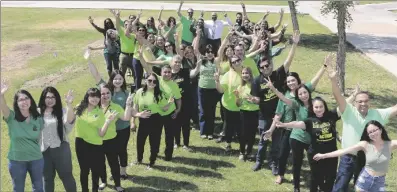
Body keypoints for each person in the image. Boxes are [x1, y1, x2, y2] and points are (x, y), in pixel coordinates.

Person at [325, 56, 397, 192]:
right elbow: (338, 96)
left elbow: (394, 109)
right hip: (348, 158)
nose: (363, 103)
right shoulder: (348, 111)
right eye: (360, 101)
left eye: (365, 101)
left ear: (369, 102)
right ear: (355, 102)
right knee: (340, 187)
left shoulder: (377, 114)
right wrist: (333, 80)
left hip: (367, 159)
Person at [264, 54, 330, 182]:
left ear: (298, 81)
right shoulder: (285, 96)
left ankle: (308, 173)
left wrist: (325, 66)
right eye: (288, 81)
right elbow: (278, 114)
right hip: (288, 129)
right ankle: (281, 174)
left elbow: (316, 79)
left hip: (305, 130)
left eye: (293, 80)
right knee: (283, 153)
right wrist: (271, 130)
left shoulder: (304, 91)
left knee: (307, 154)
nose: (291, 83)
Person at [251, 30, 300, 173]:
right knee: (263, 139)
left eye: (267, 65)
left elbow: (288, 61)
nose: (265, 68)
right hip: (264, 116)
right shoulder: (256, 81)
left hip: (279, 115)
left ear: (271, 65)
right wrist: (254, 100)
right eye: (262, 67)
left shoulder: (278, 74)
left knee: (276, 143)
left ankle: (273, 163)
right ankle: (259, 161)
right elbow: (258, 99)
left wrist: (294, 45)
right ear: (259, 69)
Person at [274, 97, 340, 192]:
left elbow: (343, 105)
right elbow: (297, 123)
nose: (319, 109)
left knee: (331, 177)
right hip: (315, 154)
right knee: (317, 177)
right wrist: (284, 124)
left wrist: (354, 96)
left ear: (324, 106)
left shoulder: (331, 116)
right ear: (312, 108)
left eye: (321, 106)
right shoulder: (310, 120)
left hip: (331, 153)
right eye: (316, 107)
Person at [314, 120, 397, 192]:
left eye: (375, 130)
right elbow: (343, 151)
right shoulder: (365, 144)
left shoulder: (390, 144)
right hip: (365, 179)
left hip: (380, 181)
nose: (373, 133)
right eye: (370, 132)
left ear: (381, 129)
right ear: (367, 135)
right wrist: (324, 155)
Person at [1, 80, 44, 192]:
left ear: (30, 100)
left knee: (39, 188)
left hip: (36, 159)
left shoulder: (38, 118)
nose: (24, 101)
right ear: (17, 103)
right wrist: (1, 95)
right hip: (17, 161)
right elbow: (3, 107)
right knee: (18, 189)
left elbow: (39, 137)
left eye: (26, 98)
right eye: (20, 99)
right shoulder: (11, 117)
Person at [139, 51, 182, 161]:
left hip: (169, 114)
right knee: (156, 135)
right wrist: (140, 56)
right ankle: (155, 152)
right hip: (157, 114)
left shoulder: (174, 85)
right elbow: (147, 67)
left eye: (168, 72)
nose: (167, 74)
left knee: (169, 136)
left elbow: (178, 99)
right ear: (161, 72)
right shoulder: (156, 80)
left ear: (171, 73)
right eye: (165, 72)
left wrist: (177, 111)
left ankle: (168, 155)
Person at [74, 88, 118, 192]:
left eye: (97, 96)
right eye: (92, 96)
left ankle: (95, 190)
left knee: (95, 170)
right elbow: (69, 119)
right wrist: (69, 104)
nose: (95, 99)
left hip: (96, 145)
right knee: (84, 170)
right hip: (80, 143)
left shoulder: (100, 112)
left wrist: (107, 122)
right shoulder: (79, 108)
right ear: (87, 97)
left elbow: (101, 134)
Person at [38, 87, 77, 192]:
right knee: (47, 179)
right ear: (43, 98)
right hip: (43, 151)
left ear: (57, 98)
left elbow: (69, 122)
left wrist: (69, 104)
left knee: (67, 176)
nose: (50, 100)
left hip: (61, 149)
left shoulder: (62, 111)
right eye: (47, 97)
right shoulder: (37, 113)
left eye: (53, 97)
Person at [132, 73, 171, 169]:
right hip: (143, 119)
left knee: (154, 142)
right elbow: (135, 107)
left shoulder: (160, 94)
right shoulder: (139, 92)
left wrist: (170, 103)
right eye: (149, 80)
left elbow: (164, 109)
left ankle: (152, 162)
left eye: (154, 81)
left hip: (156, 119)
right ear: (145, 80)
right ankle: (139, 159)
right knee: (140, 141)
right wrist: (133, 121)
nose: (152, 83)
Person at [214, 55, 243, 151]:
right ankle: (228, 144)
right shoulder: (228, 75)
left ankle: (242, 147)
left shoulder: (247, 72)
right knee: (229, 126)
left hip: (243, 106)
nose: (237, 63)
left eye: (238, 60)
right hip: (229, 106)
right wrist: (217, 81)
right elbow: (221, 90)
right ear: (231, 65)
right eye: (234, 62)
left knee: (241, 128)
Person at [234, 67, 260, 160]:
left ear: (250, 74)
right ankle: (242, 152)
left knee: (252, 134)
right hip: (243, 113)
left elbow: (259, 100)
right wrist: (237, 97)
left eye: (247, 73)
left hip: (254, 113)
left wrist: (253, 100)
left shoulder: (255, 85)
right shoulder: (240, 87)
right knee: (242, 134)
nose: (245, 75)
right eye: (243, 73)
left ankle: (248, 152)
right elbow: (238, 104)